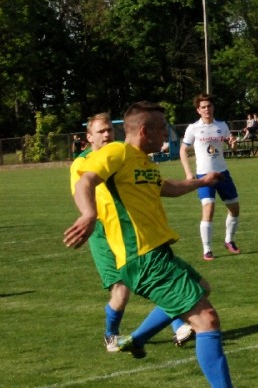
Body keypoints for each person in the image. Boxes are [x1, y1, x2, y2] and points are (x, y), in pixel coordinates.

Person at [64, 102, 233, 386]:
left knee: (202, 287)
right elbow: (85, 182)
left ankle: (138, 339)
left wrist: (202, 181)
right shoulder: (117, 152)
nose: (166, 134)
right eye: (162, 128)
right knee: (207, 319)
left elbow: (166, 187)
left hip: (158, 253)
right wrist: (89, 214)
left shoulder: (144, 161)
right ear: (145, 131)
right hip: (142, 257)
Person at [71, 112, 193, 352]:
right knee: (121, 290)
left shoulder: (123, 153)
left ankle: (178, 325)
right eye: (100, 131)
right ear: (89, 137)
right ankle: (111, 335)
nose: (107, 134)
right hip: (102, 231)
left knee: (160, 277)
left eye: (109, 129)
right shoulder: (82, 162)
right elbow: (81, 189)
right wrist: (89, 215)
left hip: (130, 228)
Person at [180, 94, 242, 261]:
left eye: (209, 106)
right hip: (204, 176)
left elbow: (232, 147)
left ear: (213, 108)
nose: (207, 109)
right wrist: (188, 173)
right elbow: (183, 150)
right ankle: (207, 249)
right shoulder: (193, 128)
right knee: (209, 208)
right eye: (203, 107)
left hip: (222, 174)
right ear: (198, 110)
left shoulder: (222, 126)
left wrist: (234, 145)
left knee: (234, 208)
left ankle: (229, 240)